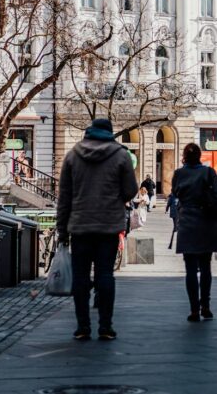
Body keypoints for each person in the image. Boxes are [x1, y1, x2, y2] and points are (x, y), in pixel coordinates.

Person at [56, 118, 138, 341]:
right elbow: (131, 190)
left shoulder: (73, 155)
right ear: (110, 132)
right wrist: (114, 197)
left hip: (80, 226)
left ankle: (83, 327)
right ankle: (105, 327)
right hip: (108, 226)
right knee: (105, 274)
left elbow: (64, 198)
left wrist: (62, 231)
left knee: (80, 277)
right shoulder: (121, 155)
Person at [172, 143, 217, 322]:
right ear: (200, 155)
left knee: (190, 269)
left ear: (184, 156)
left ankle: (194, 309)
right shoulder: (209, 173)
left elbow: (175, 192)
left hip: (187, 223)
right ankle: (205, 306)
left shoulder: (179, 174)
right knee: (206, 266)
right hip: (207, 222)